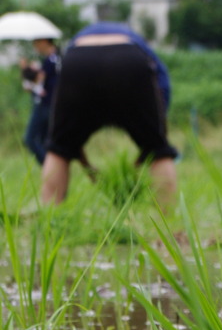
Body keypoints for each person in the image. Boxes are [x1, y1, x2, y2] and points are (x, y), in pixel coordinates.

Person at [40, 22, 177, 209]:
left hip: (79, 60)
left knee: (58, 149)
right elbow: (163, 85)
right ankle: (168, 225)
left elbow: (66, 131)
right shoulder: (136, 42)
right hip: (127, 59)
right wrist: (154, 138)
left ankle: (49, 218)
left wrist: (84, 163)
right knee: (158, 150)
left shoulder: (82, 37)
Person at [20, 38, 61, 165]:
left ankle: (49, 168)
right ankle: (51, 170)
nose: (35, 46)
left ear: (44, 41)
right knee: (45, 141)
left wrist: (24, 69)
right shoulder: (58, 58)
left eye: (36, 43)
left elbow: (37, 80)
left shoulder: (50, 60)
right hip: (54, 104)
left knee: (29, 139)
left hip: (44, 105)